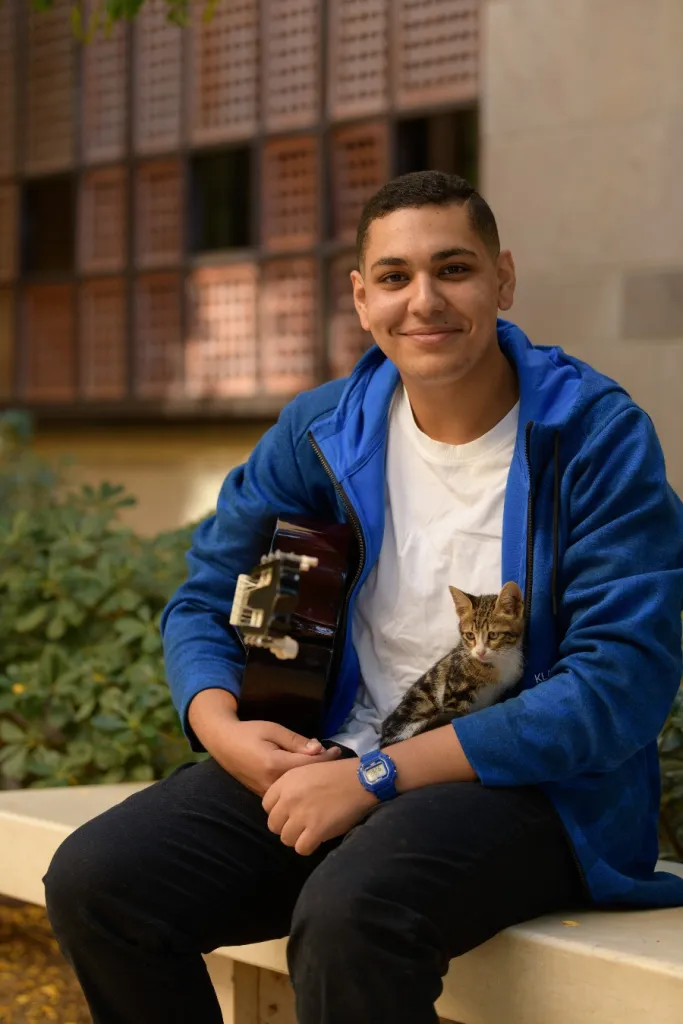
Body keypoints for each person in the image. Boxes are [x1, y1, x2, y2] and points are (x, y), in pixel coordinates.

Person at [44, 171, 683, 1024]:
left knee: (353, 919)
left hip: (530, 790)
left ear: (503, 277)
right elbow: (205, 596)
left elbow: (619, 686)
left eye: (453, 269)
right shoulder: (323, 429)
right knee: (100, 883)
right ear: (360, 297)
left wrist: (379, 776)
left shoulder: (591, 437)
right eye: (394, 277)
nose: (424, 301)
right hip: (333, 761)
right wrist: (222, 729)